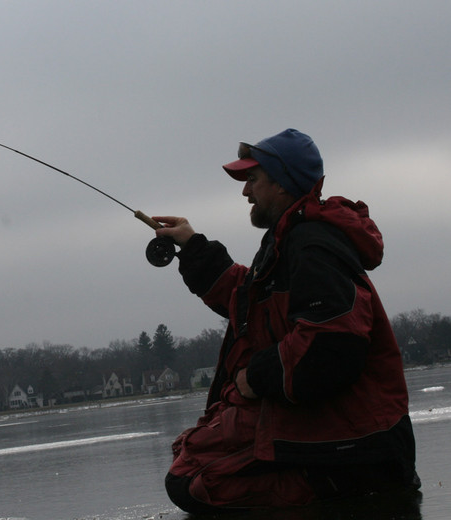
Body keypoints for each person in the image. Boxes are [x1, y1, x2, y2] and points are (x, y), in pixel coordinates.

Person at [153, 129, 420, 513]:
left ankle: (355, 483)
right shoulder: (290, 238)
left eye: (253, 180)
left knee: (195, 485)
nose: (246, 192)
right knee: (189, 463)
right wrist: (194, 247)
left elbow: (332, 346)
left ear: (282, 184)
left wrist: (255, 378)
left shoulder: (312, 245)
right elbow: (248, 299)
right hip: (337, 431)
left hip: (358, 443)